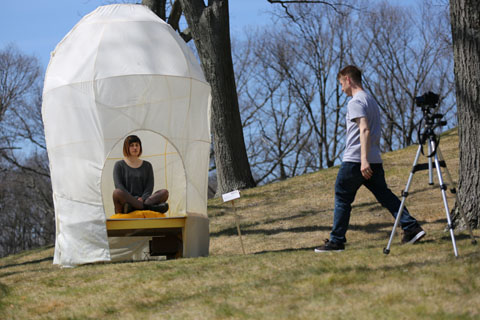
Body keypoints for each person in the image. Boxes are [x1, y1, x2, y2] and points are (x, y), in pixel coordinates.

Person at [315, 65, 425, 252]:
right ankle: (411, 227)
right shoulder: (371, 101)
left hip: (356, 160)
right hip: (374, 158)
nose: (341, 89)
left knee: (342, 196)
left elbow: (364, 129)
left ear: (348, 80)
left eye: (341, 84)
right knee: (385, 195)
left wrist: (363, 160)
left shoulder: (355, 102)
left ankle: (336, 241)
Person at [112, 135, 169, 214]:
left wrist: (142, 198)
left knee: (164, 192)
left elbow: (149, 187)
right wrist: (134, 199)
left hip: (145, 200)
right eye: (132, 145)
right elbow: (119, 186)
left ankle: (135, 208)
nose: (135, 148)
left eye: (137, 145)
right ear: (126, 148)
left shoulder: (147, 165)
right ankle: (149, 207)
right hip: (127, 201)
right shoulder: (119, 165)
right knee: (117, 193)